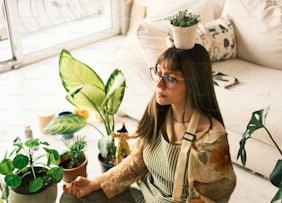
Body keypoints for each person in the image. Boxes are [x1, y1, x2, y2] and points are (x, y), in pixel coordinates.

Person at [60, 44, 236, 203]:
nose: (159, 84)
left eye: (171, 78)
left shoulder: (211, 139)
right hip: (143, 197)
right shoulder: (159, 112)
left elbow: (212, 199)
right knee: (70, 197)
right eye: (158, 73)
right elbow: (137, 162)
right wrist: (96, 183)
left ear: (194, 83)